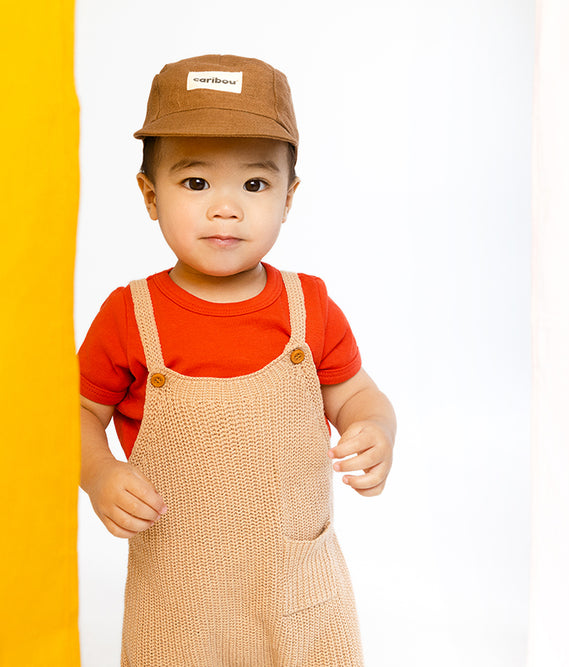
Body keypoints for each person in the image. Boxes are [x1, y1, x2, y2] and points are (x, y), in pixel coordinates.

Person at [78, 54, 396, 666]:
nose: (227, 208)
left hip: (299, 593)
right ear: (149, 194)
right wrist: (98, 474)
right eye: (195, 183)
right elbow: (75, 412)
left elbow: (358, 395)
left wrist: (375, 428)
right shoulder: (130, 315)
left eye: (255, 184)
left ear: (289, 196)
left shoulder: (310, 307)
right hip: (179, 605)